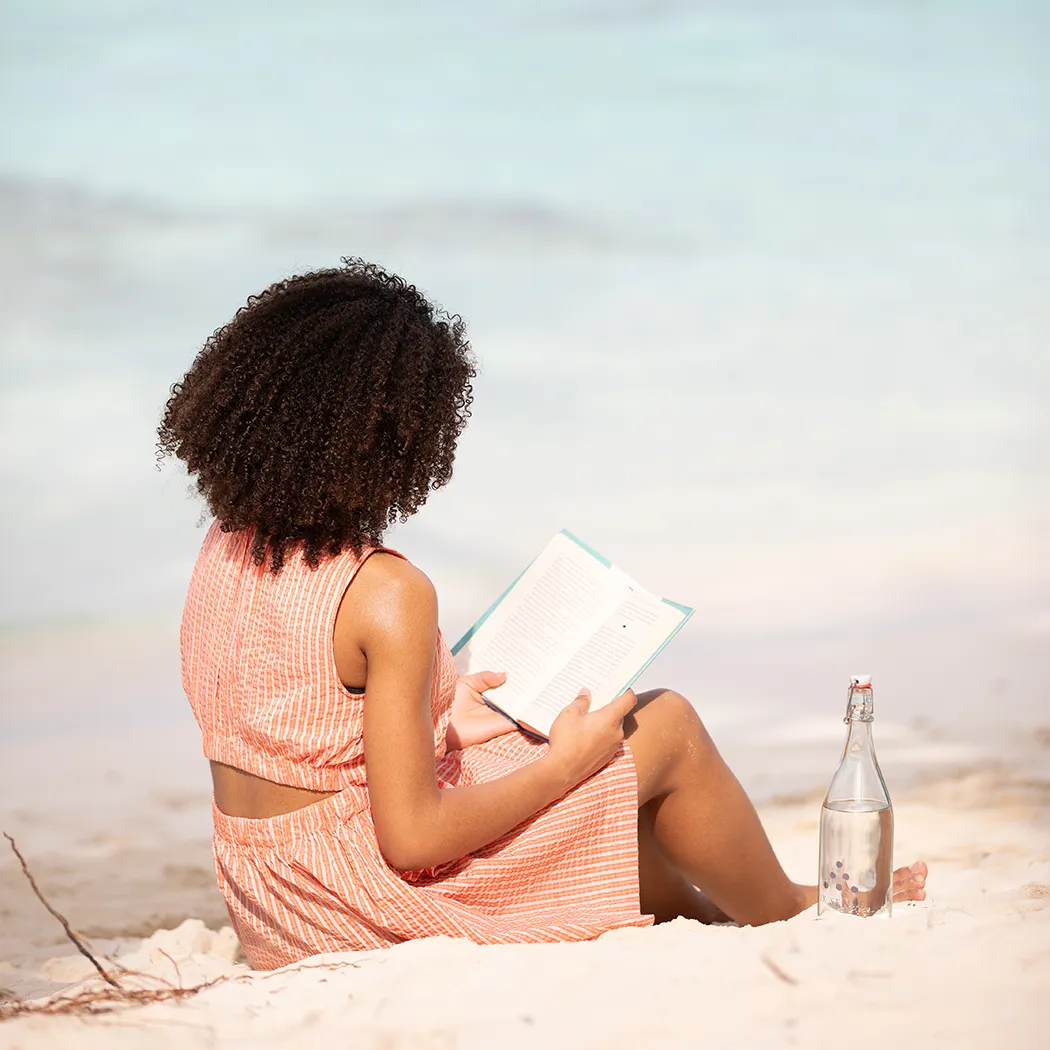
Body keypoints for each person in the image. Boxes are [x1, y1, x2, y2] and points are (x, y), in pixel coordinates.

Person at [159, 259, 927, 969]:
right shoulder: (386, 591)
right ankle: (789, 907)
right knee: (665, 728)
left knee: (551, 761)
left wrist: (442, 717)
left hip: (272, 894)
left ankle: (700, 910)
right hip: (360, 904)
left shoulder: (228, 547)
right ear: (396, 439)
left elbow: (291, 728)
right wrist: (565, 763)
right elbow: (412, 838)